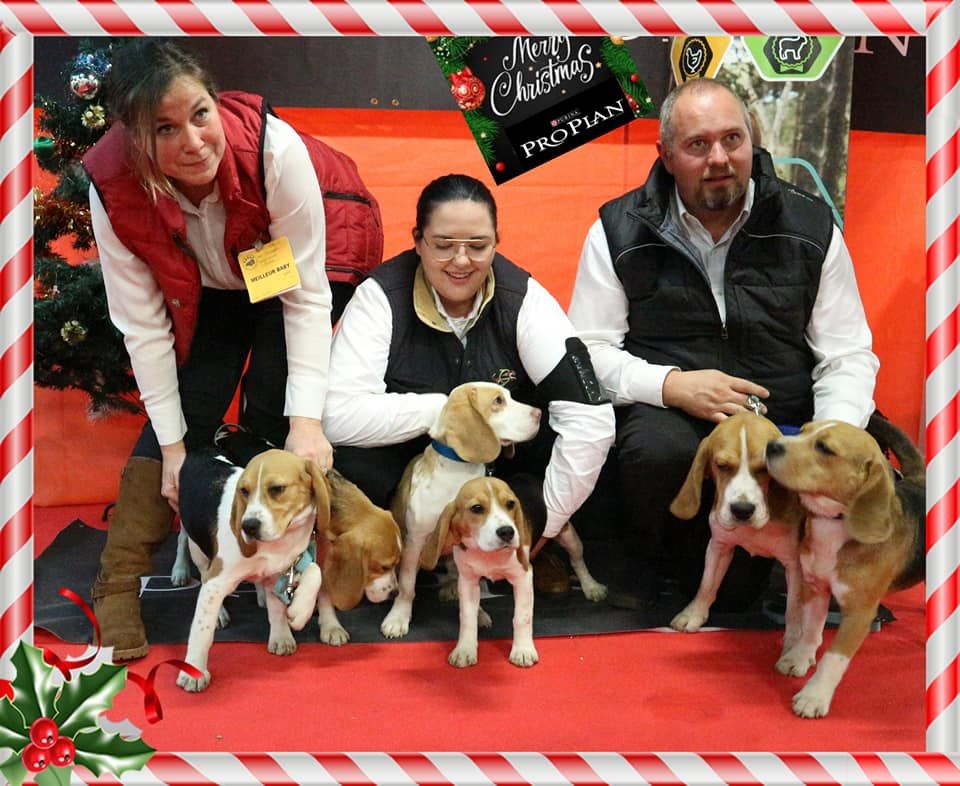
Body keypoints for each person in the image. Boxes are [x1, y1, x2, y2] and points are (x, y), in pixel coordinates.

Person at [567, 78, 879, 610]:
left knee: (734, 601)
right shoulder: (616, 229)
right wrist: (670, 385)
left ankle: (730, 569)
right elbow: (587, 353)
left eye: (733, 140)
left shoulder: (811, 225)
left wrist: (829, 440)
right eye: (697, 145)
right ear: (665, 156)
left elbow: (846, 354)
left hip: (779, 420)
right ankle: (652, 555)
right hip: (672, 421)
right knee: (654, 448)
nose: (720, 158)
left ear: (752, 141)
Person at [84, 41, 342, 660]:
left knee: (278, 415)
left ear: (214, 100)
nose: (195, 141)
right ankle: (115, 586)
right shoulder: (111, 185)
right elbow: (143, 328)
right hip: (207, 292)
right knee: (185, 419)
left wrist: (305, 426)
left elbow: (305, 299)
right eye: (164, 130)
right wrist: (175, 449)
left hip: (283, 278)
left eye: (200, 114)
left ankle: (269, 573)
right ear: (135, 140)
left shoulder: (276, 151)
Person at [323, 173, 616, 591]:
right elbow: (336, 416)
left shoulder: (524, 298)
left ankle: (539, 555)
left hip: (502, 474)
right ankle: (392, 565)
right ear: (418, 241)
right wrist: (446, 413)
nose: (461, 261)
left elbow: (592, 415)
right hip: (407, 473)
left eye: (478, 247)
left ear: (497, 242)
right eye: (443, 246)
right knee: (348, 463)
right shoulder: (379, 296)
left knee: (567, 442)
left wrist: (544, 525)